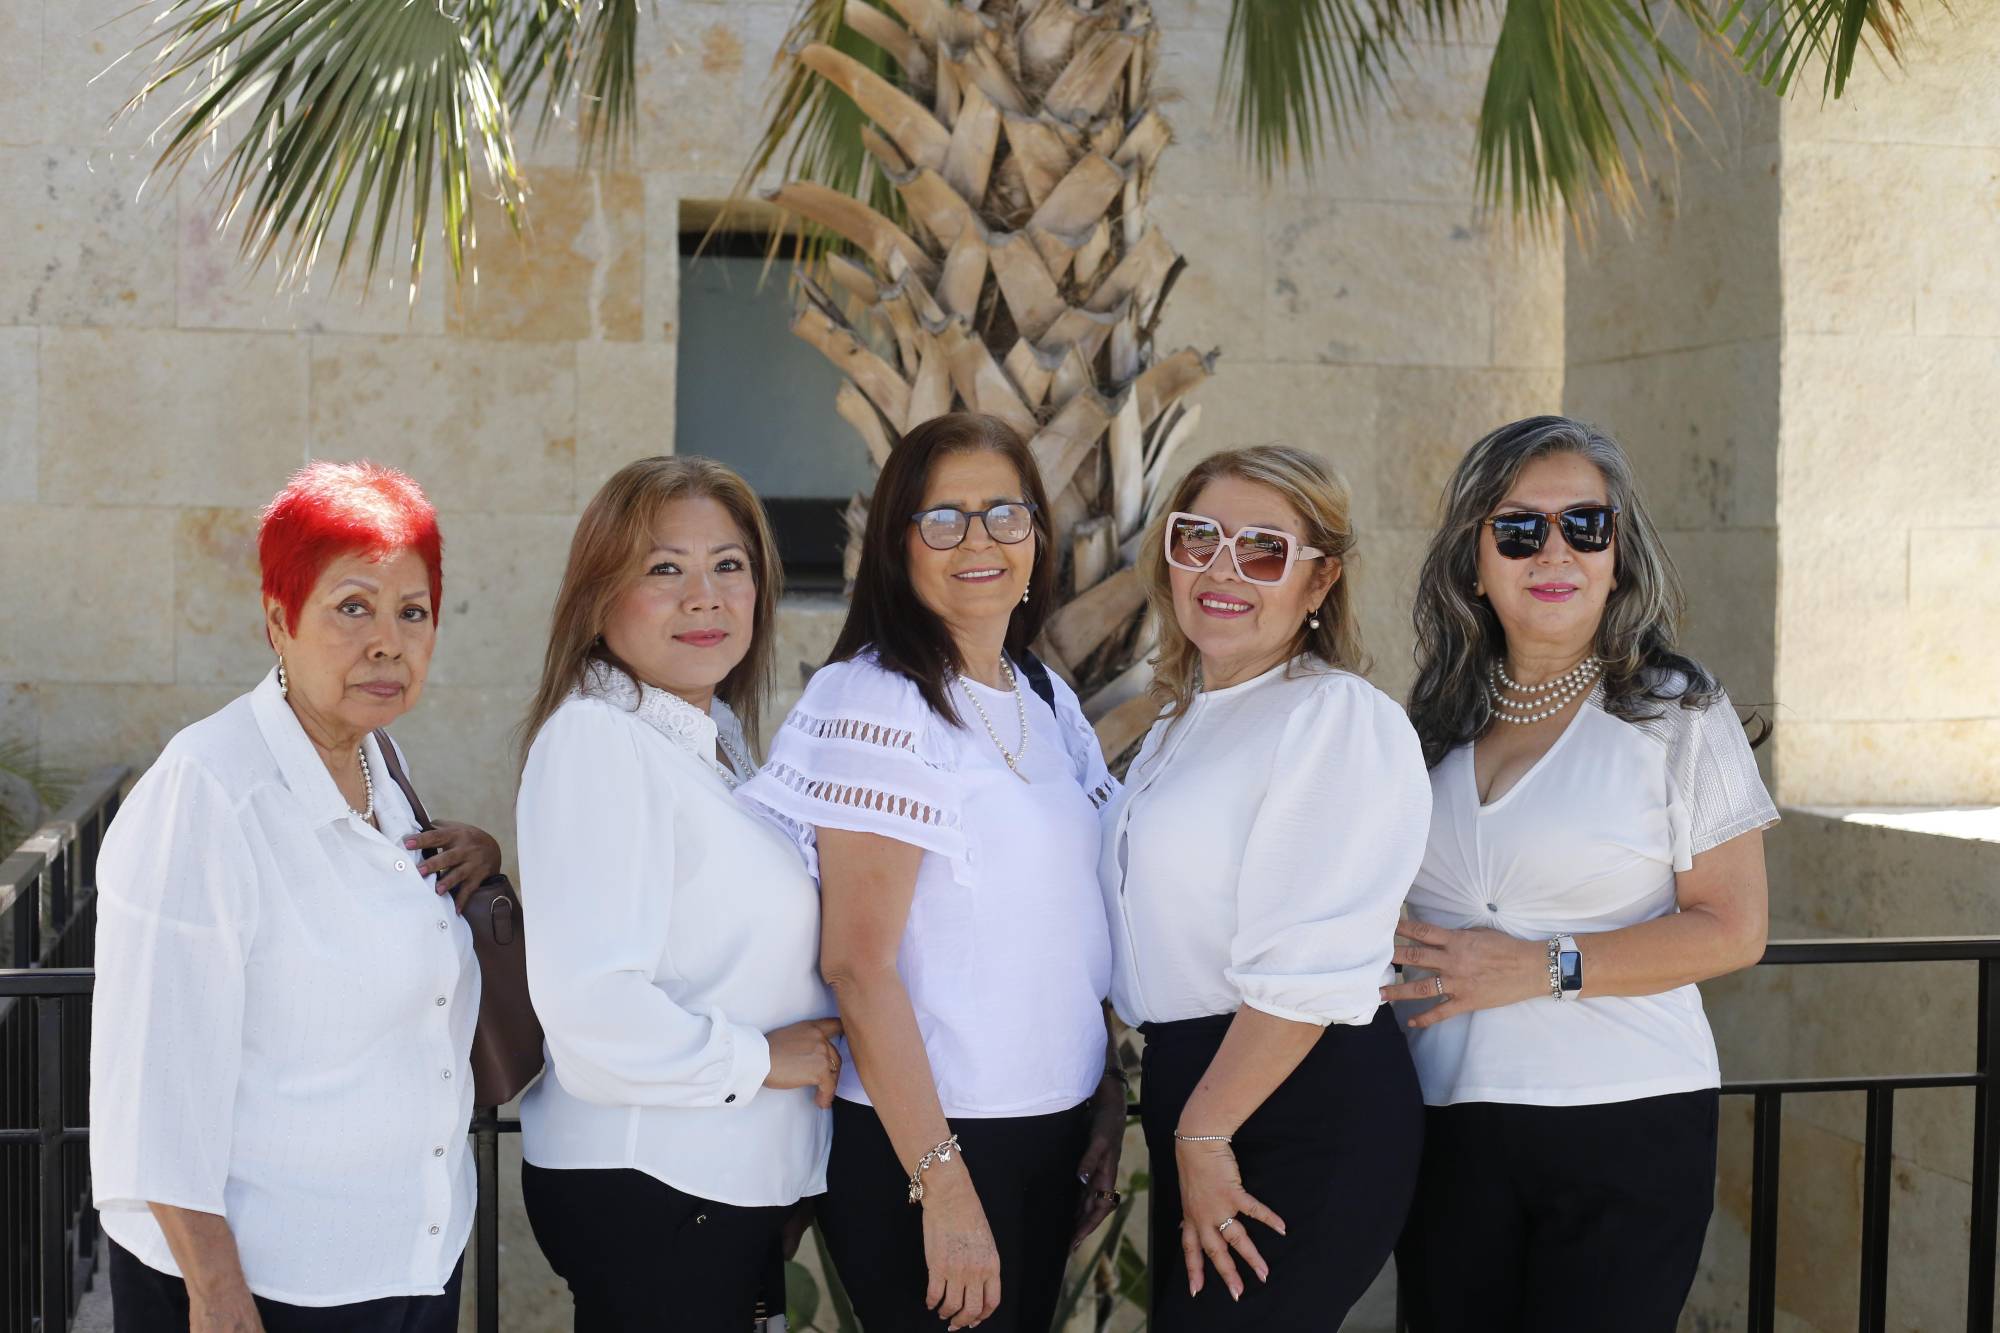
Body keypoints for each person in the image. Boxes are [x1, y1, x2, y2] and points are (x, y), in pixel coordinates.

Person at [737, 412, 1126, 1333]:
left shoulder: (1041, 691)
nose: (978, 540)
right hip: (935, 1147)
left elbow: (1066, 919)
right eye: (943, 518)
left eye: (1004, 513)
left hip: (1049, 1133)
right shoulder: (879, 696)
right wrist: (943, 1185)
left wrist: (1103, 1097)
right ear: (897, 546)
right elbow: (858, 967)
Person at [91, 461, 502, 1332]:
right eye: (352, 607)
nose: (387, 641)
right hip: (267, 1292)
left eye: (412, 611)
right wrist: (217, 1293)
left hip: (410, 1261)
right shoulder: (207, 791)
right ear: (278, 621)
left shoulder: (379, 765)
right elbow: (152, 1083)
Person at [1389, 415, 1776, 1332]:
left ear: (1617, 555)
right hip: (1447, 1126)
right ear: (1473, 563)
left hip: (1626, 1123)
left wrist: (1539, 966)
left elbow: (1734, 928)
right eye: (1519, 529)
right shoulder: (1429, 726)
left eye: (1584, 526)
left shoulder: (1675, 712)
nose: (1553, 551)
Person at [1098, 445, 1429, 1330]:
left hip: (1294, 1096)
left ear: (1319, 583)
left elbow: (1309, 962)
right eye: (1197, 536)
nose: (1221, 569)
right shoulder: (1182, 722)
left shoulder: (1334, 716)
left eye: (1264, 550)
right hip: (1201, 1091)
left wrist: (1204, 1132)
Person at [514, 457, 843, 1331]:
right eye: (665, 569)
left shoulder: (711, 737)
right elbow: (591, 1010)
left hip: (712, 1184)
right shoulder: (599, 738)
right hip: (655, 1184)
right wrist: (767, 1060)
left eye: (728, 565)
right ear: (598, 595)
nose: (706, 596)